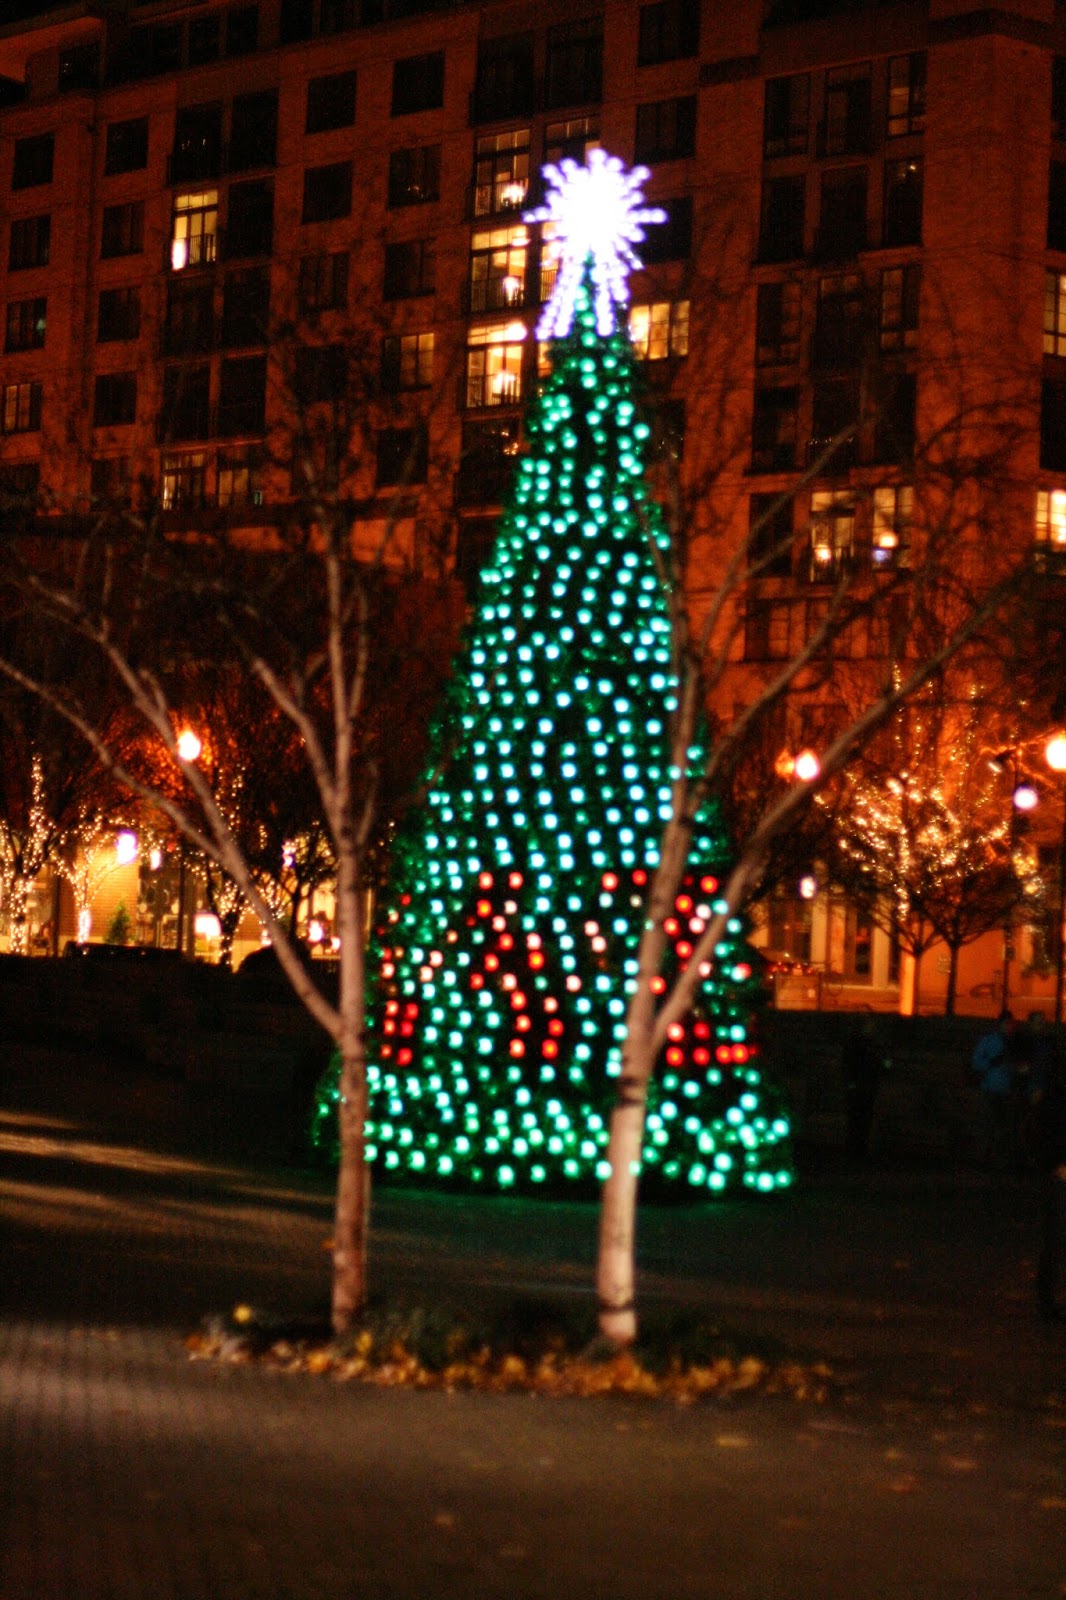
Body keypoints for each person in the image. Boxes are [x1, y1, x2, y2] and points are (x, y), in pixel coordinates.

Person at [1030, 1041, 1066, 1322]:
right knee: (1054, 1239)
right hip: (1057, 1177)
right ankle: (1046, 1300)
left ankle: (1048, 1299)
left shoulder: (1050, 1098)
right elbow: (1040, 1135)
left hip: (1055, 1173)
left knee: (1054, 1240)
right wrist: (1055, 1165)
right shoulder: (1053, 1100)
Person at [971, 1011, 1017, 1170]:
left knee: (1003, 1127)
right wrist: (992, 1062)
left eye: (1011, 1023)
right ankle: (986, 1159)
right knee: (989, 1125)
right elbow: (976, 1062)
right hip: (991, 1089)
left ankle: (1000, 1161)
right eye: (1006, 1023)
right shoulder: (989, 1041)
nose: (1009, 1026)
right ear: (1000, 1024)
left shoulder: (1014, 1042)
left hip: (1006, 1090)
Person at [841, 1011, 884, 1159]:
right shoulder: (866, 1045)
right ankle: (857, 1150)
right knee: (860, 1120)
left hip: (861, 1087)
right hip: (863, 1087)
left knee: (857, 1120)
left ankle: (855, 1150)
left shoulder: (858, 1044)